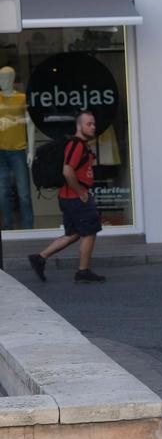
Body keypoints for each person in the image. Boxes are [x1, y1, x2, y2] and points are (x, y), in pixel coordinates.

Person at [27, 111, 105, 283]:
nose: (93, 127)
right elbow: (67, 171)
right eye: (88, 124)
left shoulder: (81, 145)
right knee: (89, 232)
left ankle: (40, 258)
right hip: (76, 198)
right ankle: (83, 272)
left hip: (69, 197)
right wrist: (80, 192)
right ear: (79, 126)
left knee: (74, 233)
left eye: (93, 123)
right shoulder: (76, 145)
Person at [0, 66, 33, 229]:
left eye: (5, 78)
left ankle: (28, 229)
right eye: (0, 78)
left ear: (12, 79)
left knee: (24, 193)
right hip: (0, 152)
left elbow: (30, 125)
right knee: (3, 193)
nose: (2, 81)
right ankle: (7, 229)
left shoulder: (22, 98)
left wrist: (31, 150)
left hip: (18, 151)